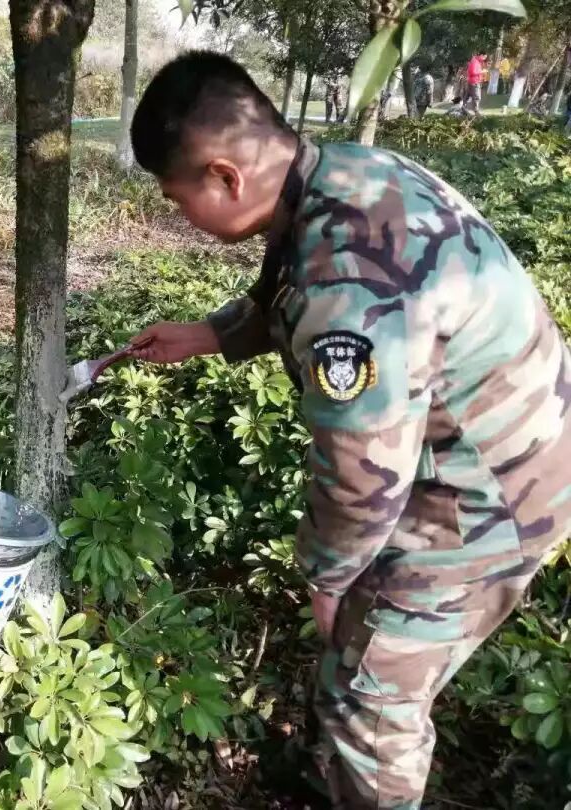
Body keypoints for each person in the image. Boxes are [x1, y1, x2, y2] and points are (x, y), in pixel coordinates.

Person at [127, 52, 571, 810]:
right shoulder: (342, 175)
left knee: (373, 703)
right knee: (353, 659)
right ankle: (324, 778)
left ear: (227, 177)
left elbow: (364, 471)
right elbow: (287, 287)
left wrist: (329, 578)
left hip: (487, 498)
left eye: (178, 199)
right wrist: (211, 333)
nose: (181, 218)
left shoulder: (348, 283)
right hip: (502, 445)